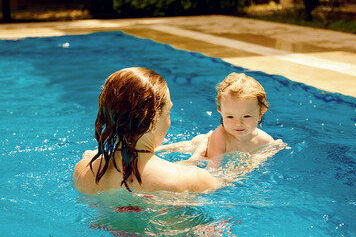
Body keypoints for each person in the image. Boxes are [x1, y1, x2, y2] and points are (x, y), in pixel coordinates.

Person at [72, 67, 219, 195]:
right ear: (153, 118)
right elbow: (226, 182)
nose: (169, 121)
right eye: (168, 112)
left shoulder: (82, 172)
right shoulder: (193, 179)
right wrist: (202, 157)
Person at [206, 72, 277, 165]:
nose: (238, 123)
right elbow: (213, 168)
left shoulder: (266, 142)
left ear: (260, 114)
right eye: (230, 117)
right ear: (221, 114)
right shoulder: (220, 137)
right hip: (205, 143)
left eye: (246, 116)